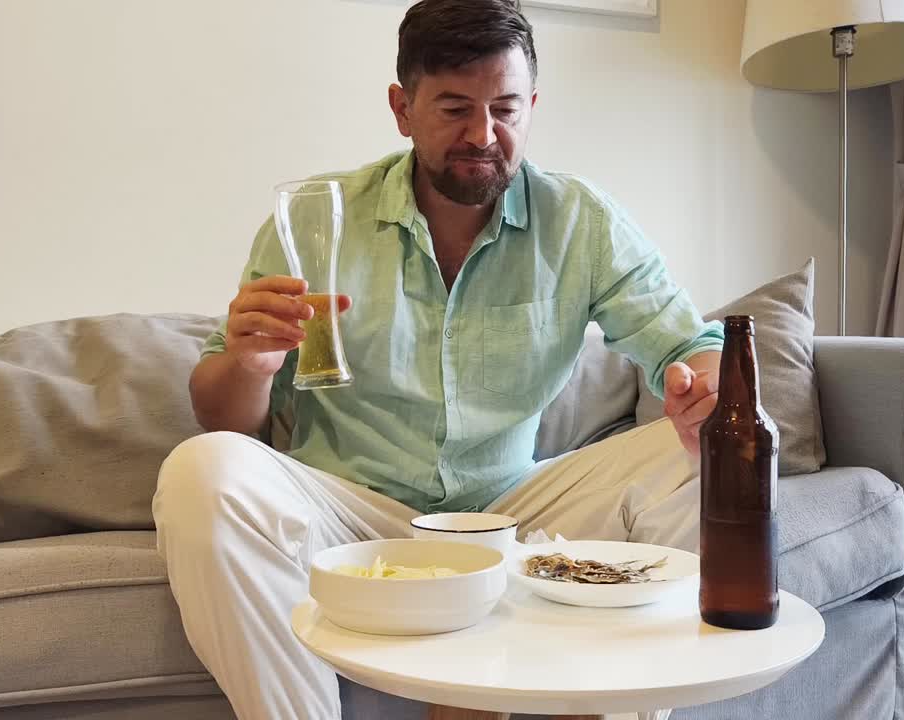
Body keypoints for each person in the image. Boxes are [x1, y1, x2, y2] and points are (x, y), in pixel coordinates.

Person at [153, 1, 724, 719]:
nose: (483, 135)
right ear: (402, 108)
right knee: (199, 471)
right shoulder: (317, 218)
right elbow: (223, 420)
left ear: (532, 106)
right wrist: (250, 365)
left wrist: (705, 387)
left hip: (511, 509)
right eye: (455, 109)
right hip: (354, 513)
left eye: (506, 110)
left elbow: (690, 345)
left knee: (708, 450)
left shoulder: (580, 219)